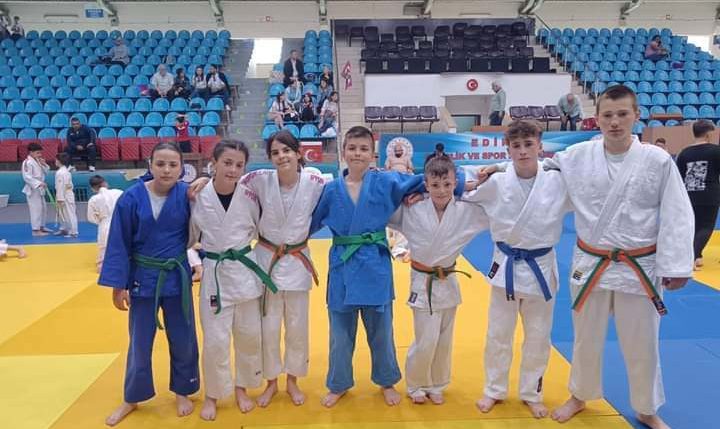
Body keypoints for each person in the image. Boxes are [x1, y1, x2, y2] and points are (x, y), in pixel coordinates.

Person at [487, 85, 693, 429]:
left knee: (642, 343)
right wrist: (495, 168)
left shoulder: (656, 161)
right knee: (586, 339)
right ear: (596, 118)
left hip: (638, 265)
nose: (615, 122)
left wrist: (677, 264)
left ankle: (646, 407)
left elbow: (677, 212)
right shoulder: (578, 155)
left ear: (636, 115)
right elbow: (535, 167)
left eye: (622, 114)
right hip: (592, 263)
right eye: (607, 115)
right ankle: (579, 395)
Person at [309, 125, 468, 408]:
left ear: (373, 154)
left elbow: (426, 180)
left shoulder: (385, 181)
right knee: (340, 334)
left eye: (363, 149)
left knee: (381, 331)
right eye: (352, 148)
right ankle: (338, 383)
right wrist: (287, 246)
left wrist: (449, 185)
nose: (357, 153)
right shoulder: (331, 190)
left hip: (375, 264)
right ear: (343, 152)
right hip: (342, 266)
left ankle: (386, 381)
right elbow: (308, 223)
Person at [465, 120, 571, 419]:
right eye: (516, 146)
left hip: (541, 268)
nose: (523, 151)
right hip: (506, 268)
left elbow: (589, 188)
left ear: (540, 146)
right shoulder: (496, 182)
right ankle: (494, 389)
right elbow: (463, 194)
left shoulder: (558, 181)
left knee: (538, 336)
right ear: (507, 149)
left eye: (528, 144)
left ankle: (531, 393)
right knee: (498, 334)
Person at [99, 142, 199, 427]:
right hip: (142, 278)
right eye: (160, 164)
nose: (166, 170)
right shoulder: (131, 198)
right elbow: (119, 242)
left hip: (176, 276)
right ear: (150, 165)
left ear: (182, 168)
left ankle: (183, 390)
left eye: (173, 165)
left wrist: (204, 181)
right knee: (139, 342)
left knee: (184, 338)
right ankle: (132, 397)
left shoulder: (188, 194)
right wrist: (118, 285)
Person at [388, 154, 489, 405]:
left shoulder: (466, 210)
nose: (441, 190)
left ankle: (437, 384)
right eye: (434, 185)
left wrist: (474, 183)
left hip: (448, 281)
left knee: (444, 340)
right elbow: (386, 201)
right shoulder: (412, 208)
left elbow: (496, 201)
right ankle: (415, 384)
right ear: (426, 184)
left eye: (447, 184)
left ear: (455, 182)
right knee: (426, 339)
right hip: (423, 281)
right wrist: (410, 193)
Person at [191, 140, 277, 420]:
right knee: (215, 341)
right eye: (227, 163)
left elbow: (265, 228)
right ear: (213, 163)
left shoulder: (251, 196)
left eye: (239, 165)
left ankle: (242, 387)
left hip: (244, 272)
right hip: (215, 274)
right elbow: (189, 237)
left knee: (249, 336)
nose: (233, 169)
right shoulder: (197, 195)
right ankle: (213, 394)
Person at [240, 131, 326, 408]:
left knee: (297, 327)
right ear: (270, 157)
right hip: (267, 261)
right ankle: (271, 382)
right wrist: (204, 180)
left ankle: (292, 381)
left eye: (286, 150)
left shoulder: (315, 181)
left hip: (297, 262)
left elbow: (345, 187)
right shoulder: (259, 180)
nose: (281, 157)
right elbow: (228, 184)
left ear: (298, 153)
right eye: (275, 153)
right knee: (268, 327)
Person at [676, 119, 720, 271]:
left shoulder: (684, 153)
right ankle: (692, 257)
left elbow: (679, 176)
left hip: (689, 195)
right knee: (706, 226)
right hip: (709, 195)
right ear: (708, 134)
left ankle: (697, 254)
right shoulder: (716, 151)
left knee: (692, 227)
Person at [87, 175, 123, 272]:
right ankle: (122, 264)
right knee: (122, 244)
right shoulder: (118, 192)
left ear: (93, 188)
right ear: (105, 183)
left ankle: (102, 266)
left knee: (103, 246)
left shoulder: (93, 199)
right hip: (119, 222)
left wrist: (100, 221)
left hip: (104, 223)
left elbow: (91, 218)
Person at [22, 143, 51, 236]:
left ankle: (41, 226)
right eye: (37, 153)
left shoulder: (38, 160)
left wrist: (44, 164)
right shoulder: (27, 162)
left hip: (40, 188)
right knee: (36, 209)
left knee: (43, 208)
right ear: (31, 152)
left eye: (40, 153)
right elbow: (27, 177)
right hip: (33, 189)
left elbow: (46, 171)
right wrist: (39, 183)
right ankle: (35, 230)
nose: (40, 155)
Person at [54, 153, 79, 238]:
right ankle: (64, 229)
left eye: (56, 160)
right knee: (62, 213)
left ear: (59, 161)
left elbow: (61, 186)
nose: (55, 161)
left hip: (65, 195)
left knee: (69, 213)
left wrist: (60, 198)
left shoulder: (61, 173)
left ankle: (73, 232)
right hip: (64, 194)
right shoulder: (64, 171)